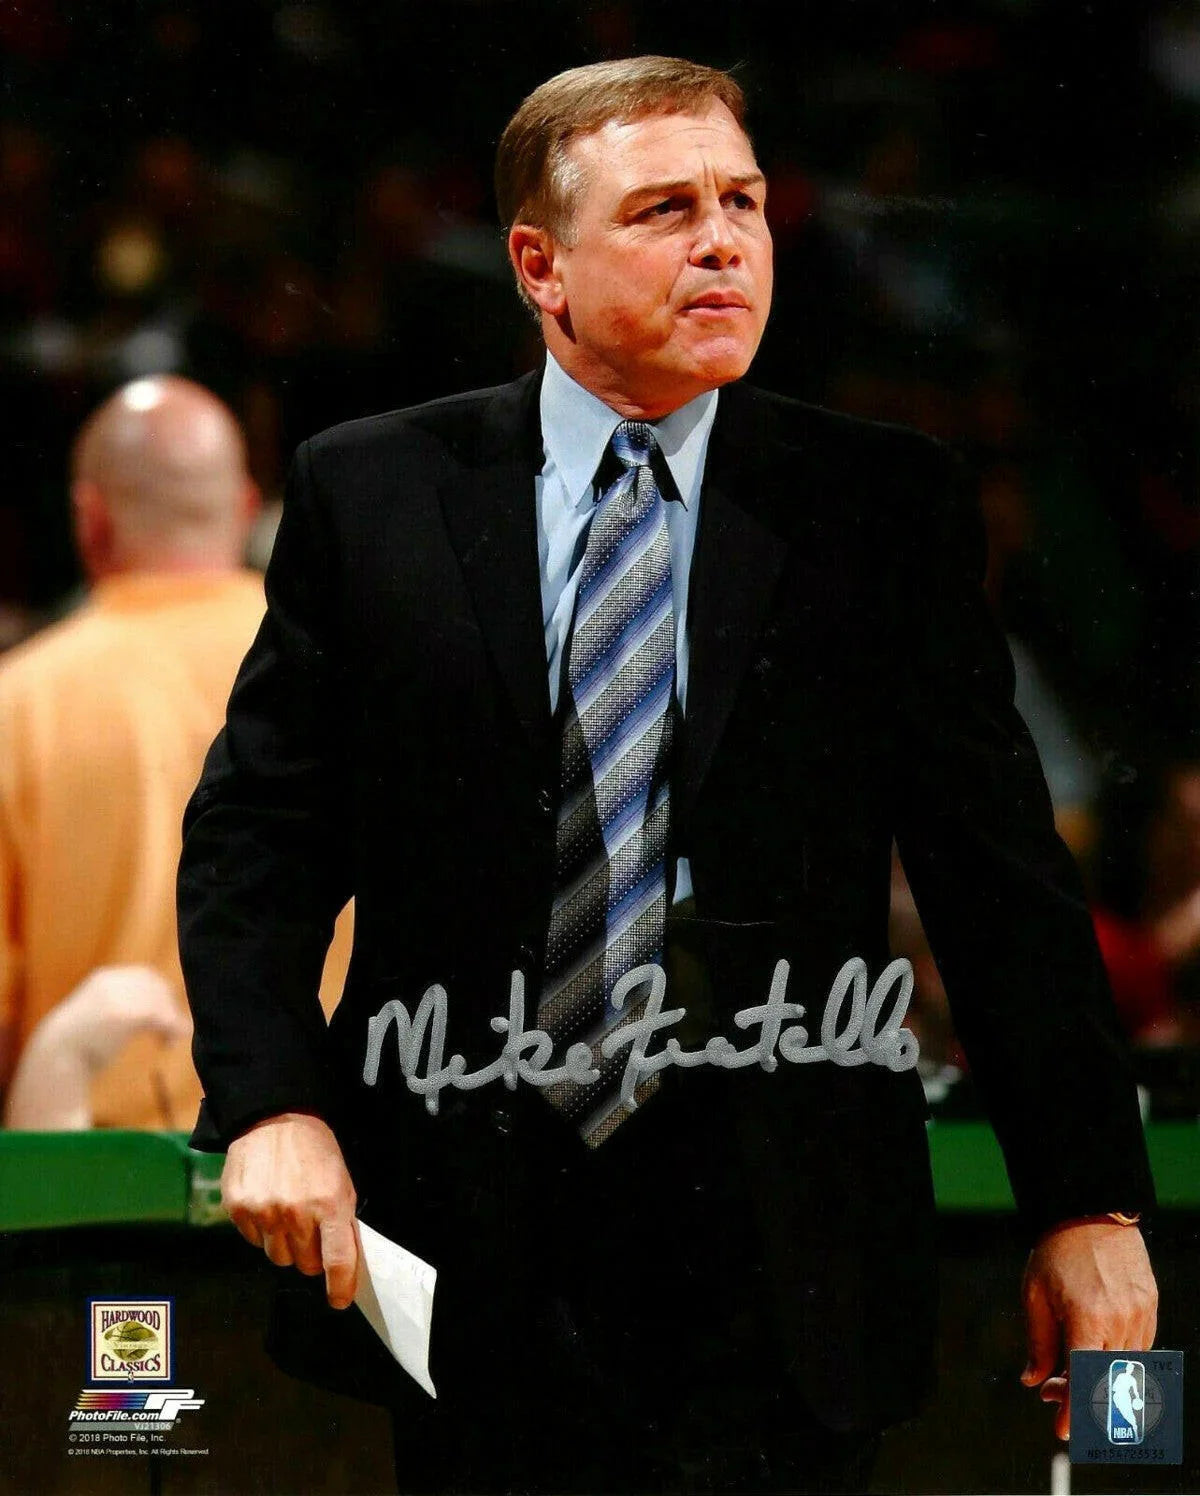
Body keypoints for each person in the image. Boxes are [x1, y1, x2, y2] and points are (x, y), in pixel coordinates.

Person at [179, 58, 1158, 1495]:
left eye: (742, 203)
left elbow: (997, 872)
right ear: (540, 266)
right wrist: (273, 1104)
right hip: (470, 1232)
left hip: (787, 1245)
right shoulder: (372, 492)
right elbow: (257, 840)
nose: (723, 243)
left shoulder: (879, 505)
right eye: (664, 211)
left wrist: (1087, 1200)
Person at [0, 375, 348, 1130]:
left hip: (102, 1175)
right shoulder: (359, 663)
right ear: (247, 507)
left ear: (90, 519)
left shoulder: (18, 707)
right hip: (332, 1158)